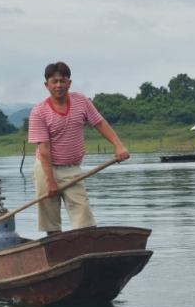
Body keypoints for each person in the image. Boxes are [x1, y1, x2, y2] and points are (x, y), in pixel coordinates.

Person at [27, 61, 130, 235]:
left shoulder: (81, 101)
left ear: (69, 83)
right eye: (54, 82)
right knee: (50, 221)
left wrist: (119, 146)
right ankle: (56, 253)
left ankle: (85, 249)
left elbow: (100, 123)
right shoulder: (39, 111)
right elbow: (44, 149)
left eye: (63, 81)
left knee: (84, 218)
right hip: (46, 169)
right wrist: (50, 181)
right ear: (47, 85)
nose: (59, 85)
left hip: (72, 168)